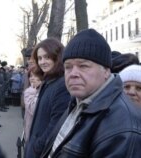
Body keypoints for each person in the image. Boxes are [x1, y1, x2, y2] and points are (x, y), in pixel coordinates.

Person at [41, 29, 141, 158]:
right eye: (68, 67)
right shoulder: (78, 101)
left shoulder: (124, 128)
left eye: (83, 66)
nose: (73, 74)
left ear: (105, 71)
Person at [24, 38, 71, 158]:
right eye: (39, 58)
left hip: (42, 152)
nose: (42, 62)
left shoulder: (62, 84)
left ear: (58, 57)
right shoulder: (48, 81)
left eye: (47, 57)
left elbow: (56, 125)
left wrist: (37, 147)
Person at [23, 67, 43, 143]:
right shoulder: (29, 92)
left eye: (36, 75)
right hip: (31, 125)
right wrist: (35, 91)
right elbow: (33, 109)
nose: (33, 78)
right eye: (31, 76)